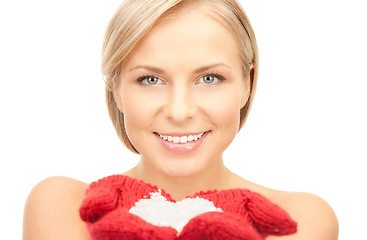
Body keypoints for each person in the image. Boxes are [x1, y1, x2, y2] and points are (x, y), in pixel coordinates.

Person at [23, 0, 339, 239]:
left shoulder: (295, 216)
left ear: (248, 84)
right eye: (150, 80)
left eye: (210, 79)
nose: (179, 111)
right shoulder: (66, 205)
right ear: (116, 90)